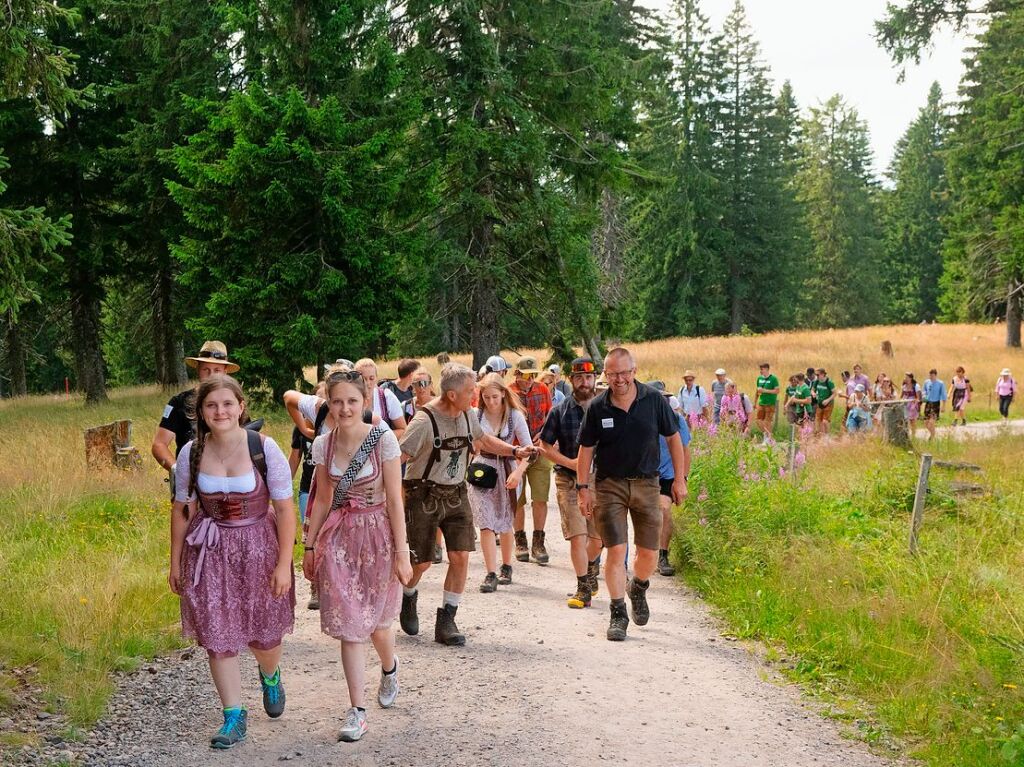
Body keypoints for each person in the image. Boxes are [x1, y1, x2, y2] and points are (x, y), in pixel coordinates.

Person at [168, 377, 295, 750]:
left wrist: (284, 564)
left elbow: (285, 508)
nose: (219, 412)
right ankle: (234, 715)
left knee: (264, 632)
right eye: (211, 406)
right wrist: (175, 562)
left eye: (227, 404)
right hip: (209, 551)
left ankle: (270, 675)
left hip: (259, 546)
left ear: (241, 407)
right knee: (216, 632)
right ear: (201, 412)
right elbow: (182, 509)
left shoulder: (263, 449)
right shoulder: (190, 452)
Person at [301, 370, 413, 743]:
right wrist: (311, 545)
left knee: (379, 625)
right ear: (328, 404)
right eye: (337, 401)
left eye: (352, 400)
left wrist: (402, 552)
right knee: (351, 624)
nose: (345, 408)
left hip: (378, 535)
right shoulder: (323, 445)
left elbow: (396, 500)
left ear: (365, 401)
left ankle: (389, 666)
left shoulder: (383, 441)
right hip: (339, 538)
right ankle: (357, 710)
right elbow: (320, 498)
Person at [398, 363, 537, 646]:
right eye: (470, 391)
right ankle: (408, 596)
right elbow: (396, 459)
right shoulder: (424, 422)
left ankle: (447, 619)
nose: (475, 395)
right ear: (451, 394)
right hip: (422, 494)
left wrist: (514, 451)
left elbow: (482, 439)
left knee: (460, 555)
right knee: (421, 562)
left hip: (456, 492)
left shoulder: (466, 414)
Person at [575, 348, 688, 642]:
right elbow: (586, 450)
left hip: (647, 483)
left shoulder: (653, 400)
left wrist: (679, 479)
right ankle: (617, 612)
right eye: (612, 374)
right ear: (606, 375)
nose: (619, 379)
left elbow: (674, 439)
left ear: (634, 371)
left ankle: (637, 585)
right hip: (609, 484)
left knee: (649, 554)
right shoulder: (598, 407)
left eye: (624, 373)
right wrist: (583, 488)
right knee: (615, 550)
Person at [539, 357, 605, 609]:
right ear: (572, 380)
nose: (584, 382)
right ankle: (582, 587)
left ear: (595, 379)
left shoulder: (605, 408)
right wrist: (570, 463)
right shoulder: (560, 411)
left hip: (601, 478)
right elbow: (544, 445)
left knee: (598, 537)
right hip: (568, 479)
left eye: (589, 377)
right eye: (579, 377)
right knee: (577, 535)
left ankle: (591, 567)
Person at [468, 373, 531, 593]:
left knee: (505, 520)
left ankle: (506, 565)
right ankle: (490, 572)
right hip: (482, 469)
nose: (491, 402)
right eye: (486, 397)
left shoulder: (514, 415)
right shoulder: (476, 415)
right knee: (486, 521)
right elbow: (475, 444)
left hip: (508, 469)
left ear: (503, 394)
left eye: (495, 396)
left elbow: (529, 450)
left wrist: (519, 473)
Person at [152, 340, 238, 480]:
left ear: (225, 372)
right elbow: (159, 444)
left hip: (229, 480)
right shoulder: (178, 403)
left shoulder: (235, 403)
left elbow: (247, 441)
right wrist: (178, 471)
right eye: (206, 369)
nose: (211, 375)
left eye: (217, 370)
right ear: (198, 369)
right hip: (190, 481)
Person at [509, 357, 554, 566]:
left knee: (540, 497)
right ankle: (520, 540)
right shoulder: (509, 392)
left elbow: (549, 416)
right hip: (516, 451)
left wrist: (543, 434)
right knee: (518, 499)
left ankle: (539, 541)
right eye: (526, 375)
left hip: (539, 449)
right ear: (517, 374)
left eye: (533, 375)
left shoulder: (543, 390)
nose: (530, 379)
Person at [652, 384, 691, 577]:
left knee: (664, 509)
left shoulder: (676, 420)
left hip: (668, 475)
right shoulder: (641, 418)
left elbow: (685, 450)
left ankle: (663, 555)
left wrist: (682, 479)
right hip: (645, 475)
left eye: (664, 398)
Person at [354, 359, 407, 439]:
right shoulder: (349, 400)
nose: (368, 383)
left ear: (376, 378)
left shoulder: (386, 397)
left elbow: (403, 430)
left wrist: (376, 438)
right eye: (363, 379)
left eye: (371, 378)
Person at [753, 363, 780, 440]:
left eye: (762, 369)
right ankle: (767, 435)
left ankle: (768, 439)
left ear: (767, 369)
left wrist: (764, 390)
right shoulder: (759, 379)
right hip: (761, 403)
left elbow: (777, 391)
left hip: (770, 403)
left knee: (767, 421)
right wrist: (755, 402)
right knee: (758, 420)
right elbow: (757, 391)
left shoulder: (773, 379)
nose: (760, 371)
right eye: (760, 369)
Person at [922, 368, 947, 439]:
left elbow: (943, 395)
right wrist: (924, 396)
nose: (931, 377)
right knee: (926, 422)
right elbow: (924, 390)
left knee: (931, 422)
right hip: (928, 403)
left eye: (932, 375)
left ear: (935, 375)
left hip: (936, 404)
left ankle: (932, 436)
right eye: (930, 375)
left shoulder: (940, 383)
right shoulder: (926, 382)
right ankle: (932, 434)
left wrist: (943, 406)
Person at [811, 369, 836, 437]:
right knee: (818, 420)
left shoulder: (829, 382)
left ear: (822, 374)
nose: (816, 376)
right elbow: (812, 390)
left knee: (825, 421)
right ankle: (819, 435)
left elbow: (834, 394)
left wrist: (827, 400)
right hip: (820, 403)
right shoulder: (816, 381)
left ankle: (827, 436)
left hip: (828, 404)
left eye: (818, 375)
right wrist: (813, 394)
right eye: (816, 375)